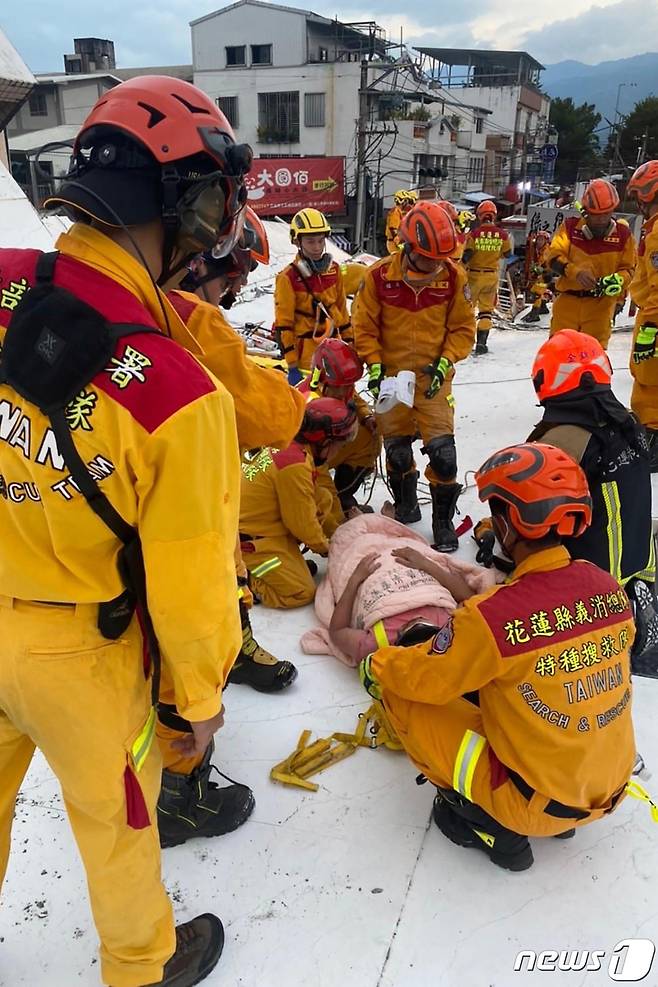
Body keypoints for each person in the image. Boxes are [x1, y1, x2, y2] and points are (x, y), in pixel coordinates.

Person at [0, 76, 253, 986]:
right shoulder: (181, 395)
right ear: (186, 200)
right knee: (119, 822)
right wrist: (196, 702)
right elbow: (191, 586)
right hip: (83, 654)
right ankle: (144, 965)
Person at [361, 443, 636, 872]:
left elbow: (423, 679)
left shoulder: (491, 619)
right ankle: (558, 816)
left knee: (400, 695)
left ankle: (489, 827)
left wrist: (376, 666)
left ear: (508, 525)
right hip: (605, 786)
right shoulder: (605, 587)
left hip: (531, 803)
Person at [167, 209, 304, 697]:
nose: (235, 290)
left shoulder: (120, 300)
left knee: (225, 567)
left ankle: (236, 646)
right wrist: (290, 395)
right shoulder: (188, 319)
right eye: (235, 275)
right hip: (179, 495)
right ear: (199, 261)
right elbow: (271, 419)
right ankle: (187, 748)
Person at [353, 200, 476, 552]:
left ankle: (442, 522)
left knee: (444, 455)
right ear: (408, 247)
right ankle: (406, 506)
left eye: (442, 258)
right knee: (398, 452)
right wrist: (374, 364)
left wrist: (446, 360)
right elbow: (364, 327)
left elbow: (463, 328)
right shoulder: (378, 277)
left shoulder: (454, 277)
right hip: (392, 379)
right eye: (429, 258)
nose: (436, 264)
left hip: (433, 379)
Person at [239, 398, 358, 608]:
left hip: (262, 524)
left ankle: (285, 564)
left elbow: (311, 502)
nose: (338, 452)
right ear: (324, 441)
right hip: (252, 539)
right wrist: (329, 549)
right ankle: (246, 578)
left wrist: (335, 535)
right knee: (301, 592)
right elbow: (301, 524)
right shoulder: (294, 465)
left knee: (322, 498)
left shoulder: (292, 445)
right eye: (339, 446)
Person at [329, 548, 474, 665]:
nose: (417, 620)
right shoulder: (453, 628)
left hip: (374, 571)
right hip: (414, 565)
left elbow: (337, 631)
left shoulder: (377, 645)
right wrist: (426, 564)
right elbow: (470, 597)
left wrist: (355, 579)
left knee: (352, 544)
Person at [544, 178, 637, 349]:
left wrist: (618, 280)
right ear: (586, 212)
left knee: (592, 361)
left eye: (606, 214)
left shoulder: (623, 236)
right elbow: (553, 257)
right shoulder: (570, 228)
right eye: (596, 215)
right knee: (559, 354)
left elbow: (630, 269)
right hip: (567, 303)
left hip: (600, 308)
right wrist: (575, 272)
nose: (602, 219)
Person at [299, 337, 380, 518]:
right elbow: (316, 468)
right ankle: (327, 508)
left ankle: (344, 496)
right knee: (320, 487)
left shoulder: (338, 386)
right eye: (342, 387)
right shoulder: (311, 405)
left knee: (370, 437)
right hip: (307, 462)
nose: (346, 390)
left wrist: (366, 416)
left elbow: (354, 398)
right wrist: (338, 522)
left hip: (324, 452)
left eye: (349, 385)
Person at [274, 208, 352, 384]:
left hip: (335, 351)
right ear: (297, 241)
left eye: (320, 241)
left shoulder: (334, 271)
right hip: (305, 358)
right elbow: (284, 324)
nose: (317, 248)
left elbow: (342, 312)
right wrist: (292, 366)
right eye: (310, 242)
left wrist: (350, 346)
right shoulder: (288, 278)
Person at [626, 160, 658, 467]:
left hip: (655, 320)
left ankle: (652, 445)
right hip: (651, 314)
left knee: (648, 383)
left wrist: (648, 334)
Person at [463, 200, 512, 354]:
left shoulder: (474, 234)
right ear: (494, 216)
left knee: (467, 310)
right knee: (486, 312)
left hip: (474, 277)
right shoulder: (503, 235)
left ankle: (465, 341)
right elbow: (508, 254)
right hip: (491, 277)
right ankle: (482, 343)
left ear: (479, 216)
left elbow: (467, 254)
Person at [521, 230, 552, 323]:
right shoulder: (536, 249)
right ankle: (543, 308)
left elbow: (542, 264)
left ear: (545, 241)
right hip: (539, 274)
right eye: (538, 239)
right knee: (536, 291)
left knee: (537, 293)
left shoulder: (546, 250)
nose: (539, 242)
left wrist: (535, 272)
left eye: (541, 240)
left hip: (544, 274)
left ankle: (535, 314)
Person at [385, 189, 417, 254]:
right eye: (406, 200)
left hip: (396, 242)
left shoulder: (399, 211)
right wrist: (400, 244)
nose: (407, 203)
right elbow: (393, 229)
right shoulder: (395, 211)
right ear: (402, 201)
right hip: (393, 243)